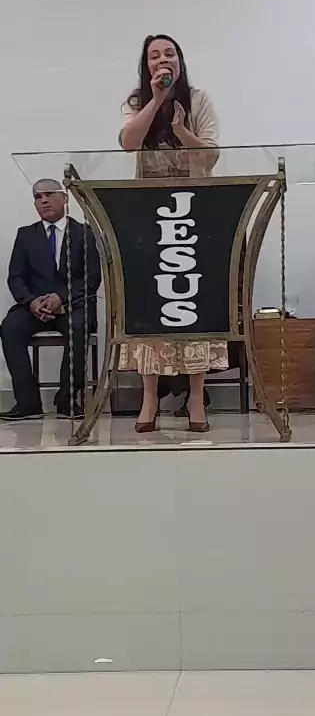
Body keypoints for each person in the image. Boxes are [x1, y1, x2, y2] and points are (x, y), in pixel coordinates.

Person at [119, 33, 227, 433]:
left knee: (193, 303)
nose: (162, 60)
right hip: (149, 216)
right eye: (154, 56)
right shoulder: (136, 101)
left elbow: (210, 157)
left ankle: (196, 395)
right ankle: (149, 396)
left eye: (170, 53)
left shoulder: (198, 100)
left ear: (180, 61)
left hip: (192, 214)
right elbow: (128, 144)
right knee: (150, 303)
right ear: (146, 65)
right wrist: (156, 101)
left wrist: (181, 129)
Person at [0, 178, 101, 420]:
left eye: (48, 194)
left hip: (72, 305)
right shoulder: (26, 235)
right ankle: (28, 403)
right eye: (38, 197)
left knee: (79, 326)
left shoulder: (84, 233)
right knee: (10, 328)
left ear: (64, 198)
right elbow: (15, 278)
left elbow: (92, 277)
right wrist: (32, 302)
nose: (43, 200)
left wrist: (61, 297)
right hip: (34, 307)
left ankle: (66, 400)